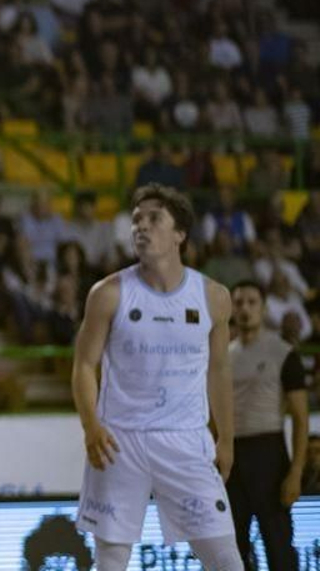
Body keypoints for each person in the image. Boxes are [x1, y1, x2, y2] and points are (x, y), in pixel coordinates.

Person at [72, 184, 240, 571]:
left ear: (180, 233)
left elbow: (219, 370)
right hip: (120, 439)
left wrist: (226, 437)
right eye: (136, 220)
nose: (140, 227)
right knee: (111, 560)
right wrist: (91, 425)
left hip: (186, 440)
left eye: (153, 219)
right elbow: (83, 365)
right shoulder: (108, 293)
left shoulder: (213, 297)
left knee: (225, 557)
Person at [227, 280, 307, 571]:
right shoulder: (223, 357)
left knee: (278, 544)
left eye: (252, 302)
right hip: (232, 454)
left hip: (269, 454)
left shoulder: (282, 352)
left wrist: (296, 472)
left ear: (263, 307)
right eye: (239, 302)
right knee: (231, 547)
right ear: (232, 309)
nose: (245, 308)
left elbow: (300, 416)